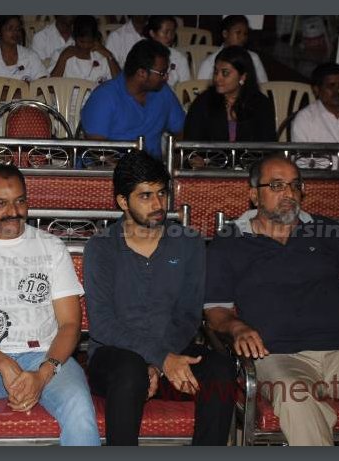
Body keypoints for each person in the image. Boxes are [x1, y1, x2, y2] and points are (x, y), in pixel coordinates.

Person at [204, 155, 339, 446]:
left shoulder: (326, 231)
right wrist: (236, 327)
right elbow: (215, 310)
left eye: (295, 185)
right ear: (254, 195)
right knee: (294, 397)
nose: (289, 193)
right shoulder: (230, 242)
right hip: (277, 355)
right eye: (277, 186)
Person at [0, 164, 100, 446]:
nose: (13, 211)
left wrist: (44, 373)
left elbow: (70, 325)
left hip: (45, 355)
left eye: (20, 201)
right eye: (1, 203)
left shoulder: (51, 247)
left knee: (79, 405)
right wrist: (4, 363)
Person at [84, 151, 235, 445]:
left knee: (220, 368)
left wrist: (159, 362)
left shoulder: (188, 242)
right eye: (145, 196)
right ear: (123, 201)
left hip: (172, 350)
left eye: (162, 193)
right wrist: (160, 360)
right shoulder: (101, 247)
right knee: (130, 370)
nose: (157, 204)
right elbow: (103, 325)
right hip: (114, 360)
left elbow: (188, 316)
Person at [80, 39, 185, 161]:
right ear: (141, 73)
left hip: (152, 169)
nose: (166, 77)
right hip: (108, 169)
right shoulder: (104, 96)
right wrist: (131, 171)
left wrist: (174, 162)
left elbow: (182, 132)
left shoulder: (163, 92)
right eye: (162, 73)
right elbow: (97, 151)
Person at [184, 46, 276, 145]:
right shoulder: (204, 102)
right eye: (216, 72)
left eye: (225, 73)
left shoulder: (261, 105)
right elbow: (191, 142)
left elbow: (267, 146)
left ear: (243, 77)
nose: (218, 78)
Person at [49, 15, 120, 84]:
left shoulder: (103, 56)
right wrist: (62, 59)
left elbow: (120, 84)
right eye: (82, 42)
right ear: (75, 37)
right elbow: (50, 86)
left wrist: (110, 56)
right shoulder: (61, 54)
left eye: (90, 42)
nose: (85, 46)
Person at [196, 15, 268, 83]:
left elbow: (265, 86)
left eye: (245, 34)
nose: (243, 38)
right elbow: (201, 88)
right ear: (225, 34)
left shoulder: (253, 58)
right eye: (238, 33)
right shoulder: (210, 62)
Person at [0, 15, 47, 82]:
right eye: (10, 28)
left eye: (18, 29)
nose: (15, 32)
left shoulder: (31, 56)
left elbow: (43, 81)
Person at [144, 16, 190, 87]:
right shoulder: (141, 54)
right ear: (152, 33)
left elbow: (186, 87)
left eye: (172, 32)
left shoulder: (179, 58)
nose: (170, 37)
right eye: (165, 32)